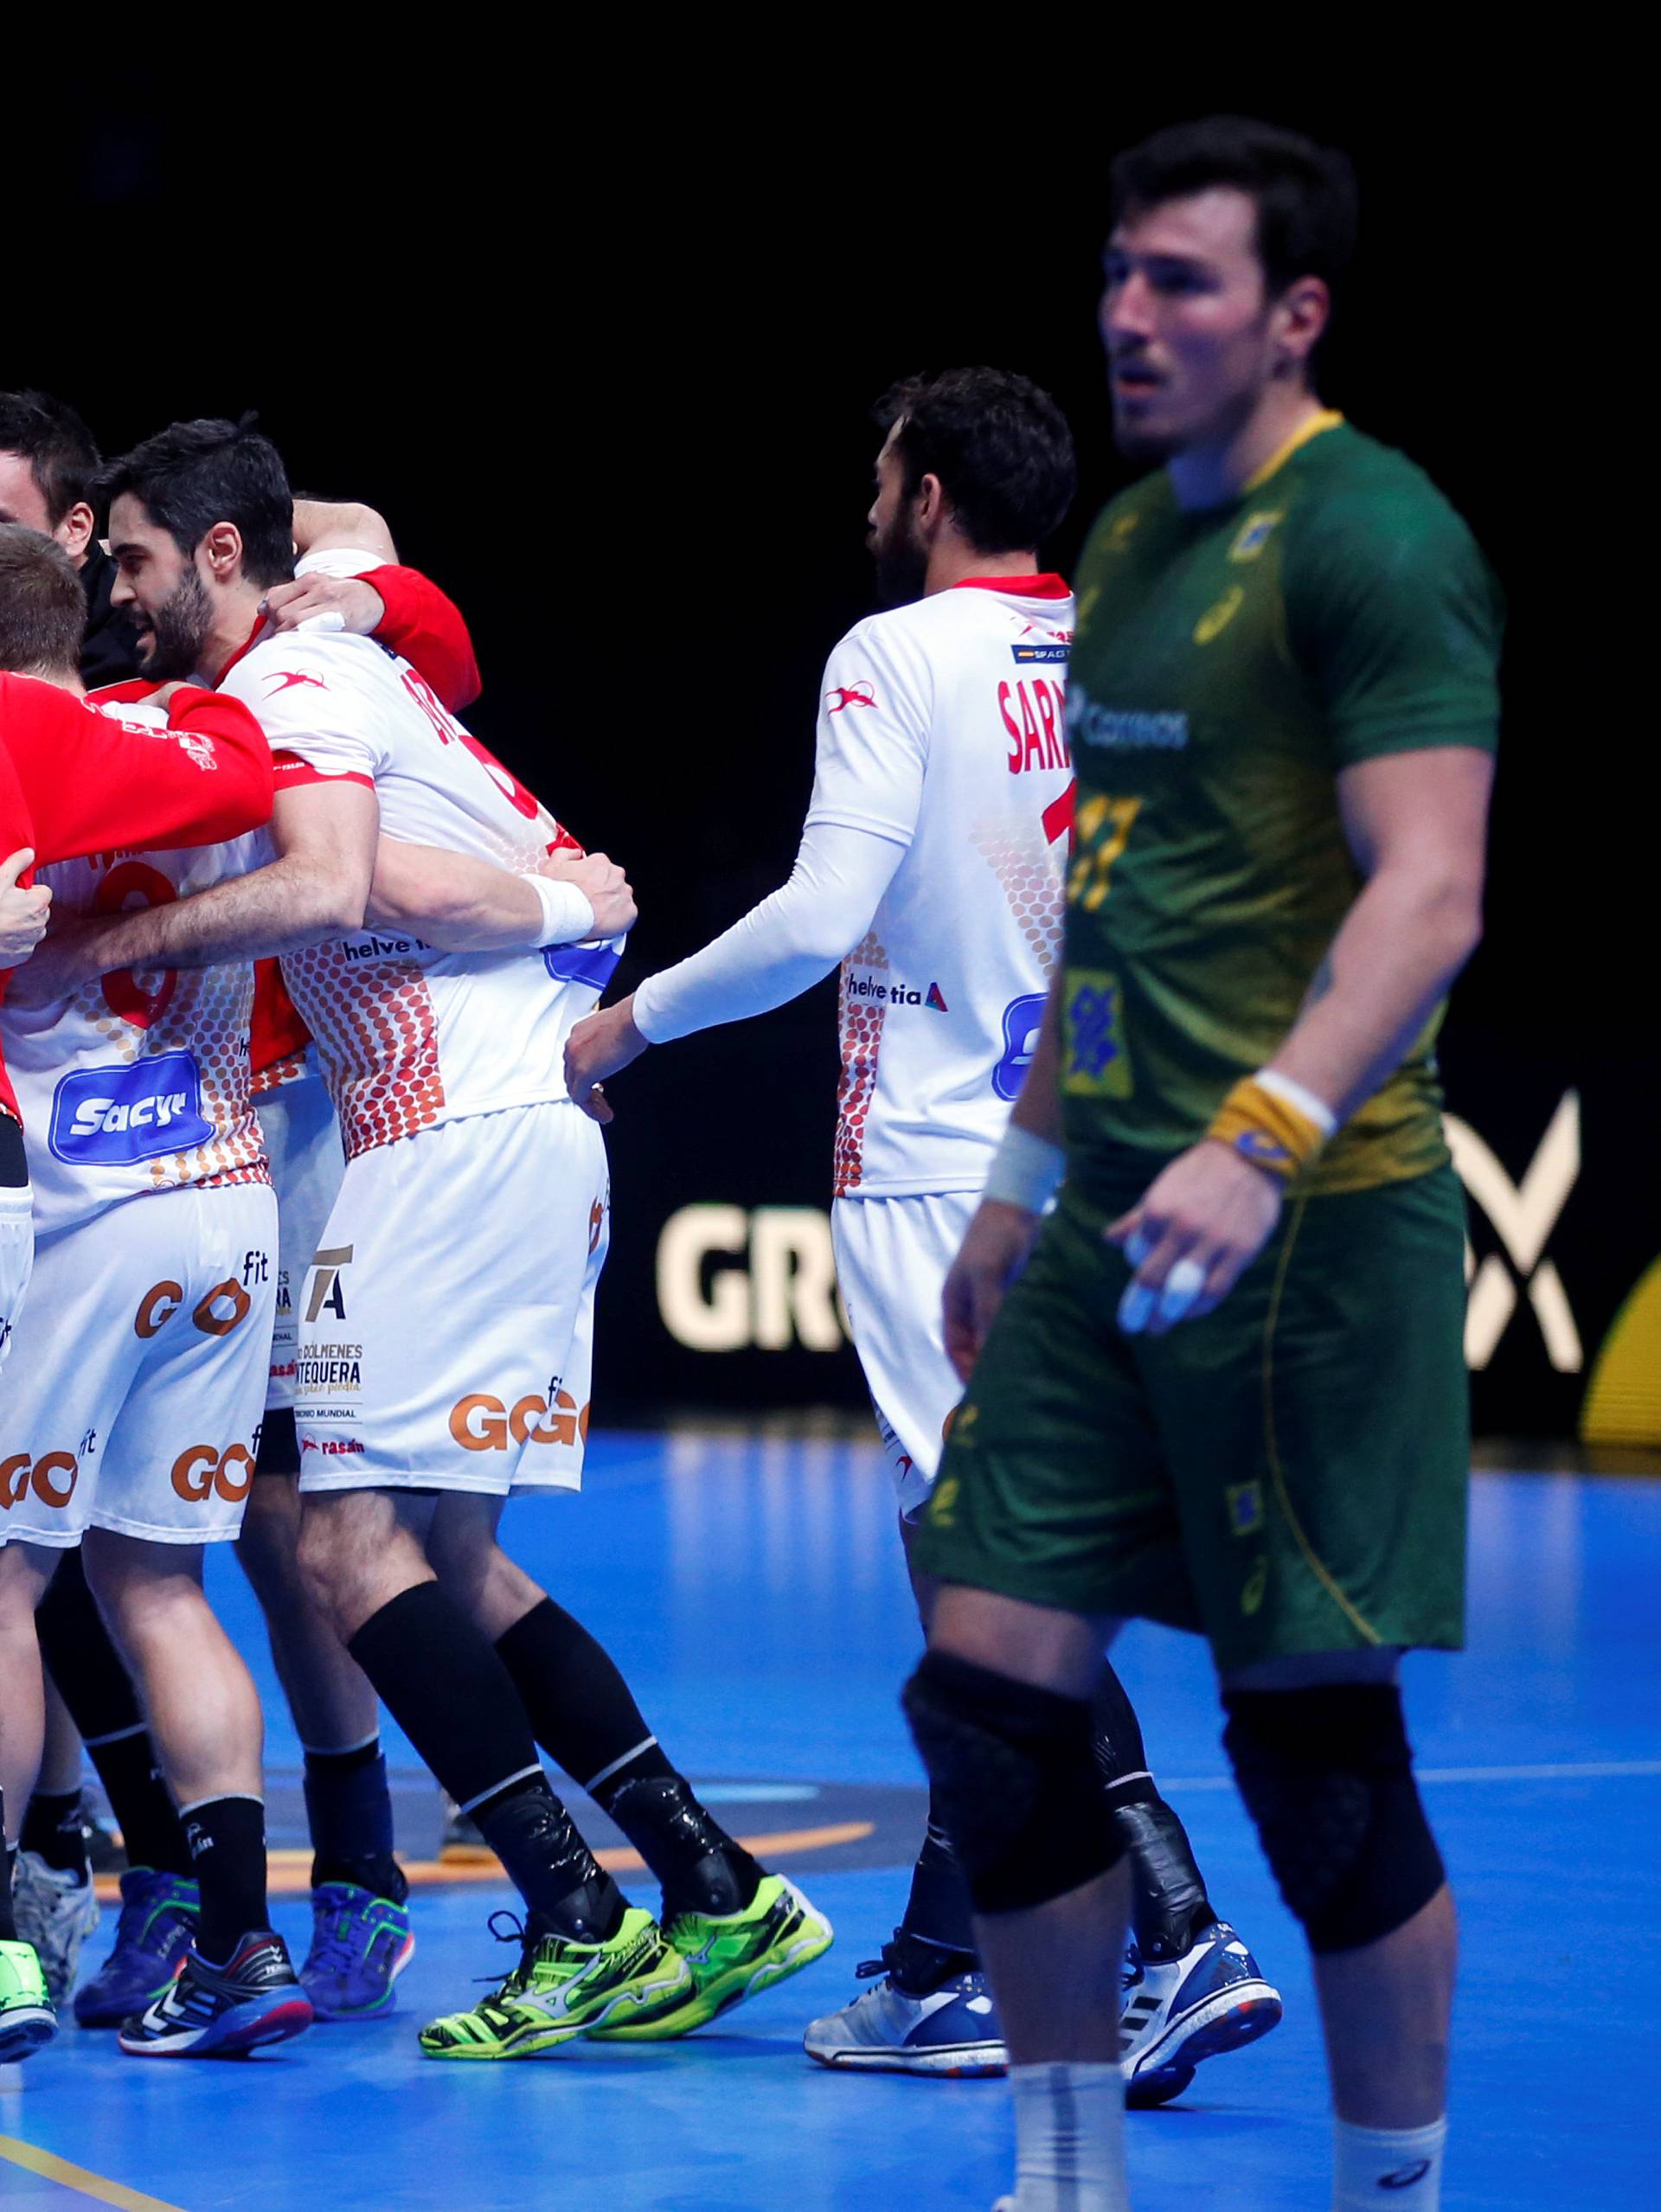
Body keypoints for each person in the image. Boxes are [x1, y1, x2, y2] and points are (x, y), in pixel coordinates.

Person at [34, 414, 833, 2058]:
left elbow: (335, 884)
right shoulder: (347, 666)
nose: (112, 590)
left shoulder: (297, 689)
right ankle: (712, 1882)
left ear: (224, 555)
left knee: (341, 1550)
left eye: (129, 559)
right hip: (502, 1124)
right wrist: (567, 914)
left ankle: (573, 1916)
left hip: (443, 1135)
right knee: (448, 1564)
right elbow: (416, 847)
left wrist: (118, 940)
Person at [897, 119, 1502, 2212]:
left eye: (1185, 284)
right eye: (1120, 275)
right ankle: (1069, 2180)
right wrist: (1009, 1184)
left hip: (1310, 1232)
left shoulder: (1377, 538)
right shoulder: (1142, 548)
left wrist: (1264, 1134)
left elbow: (1428, 892)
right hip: (1102, 1217)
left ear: (1296, 313)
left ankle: (1387, 2193)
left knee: (1316, 1769)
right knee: (985, 1690)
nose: (1132, 318)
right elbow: (1111, 898)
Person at [564, 367, 1279, 2098]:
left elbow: (821, 915)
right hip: (1107, 1158)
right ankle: (948, 1962)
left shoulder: (891, 656)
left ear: (935, 490)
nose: (866, 509)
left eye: (883, 479)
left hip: (946, 1175)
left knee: (990, 1583)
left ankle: (1178, 1936)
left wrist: (629, 1023)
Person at [0, 522, 275, 2063]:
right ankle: (239, 1944)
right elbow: (251, 771)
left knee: (5, 1583)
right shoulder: (194, 732)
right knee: (162, 1584)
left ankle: (0, 1955)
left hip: (79, 1216)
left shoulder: (12, 725)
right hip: (221, 1203)